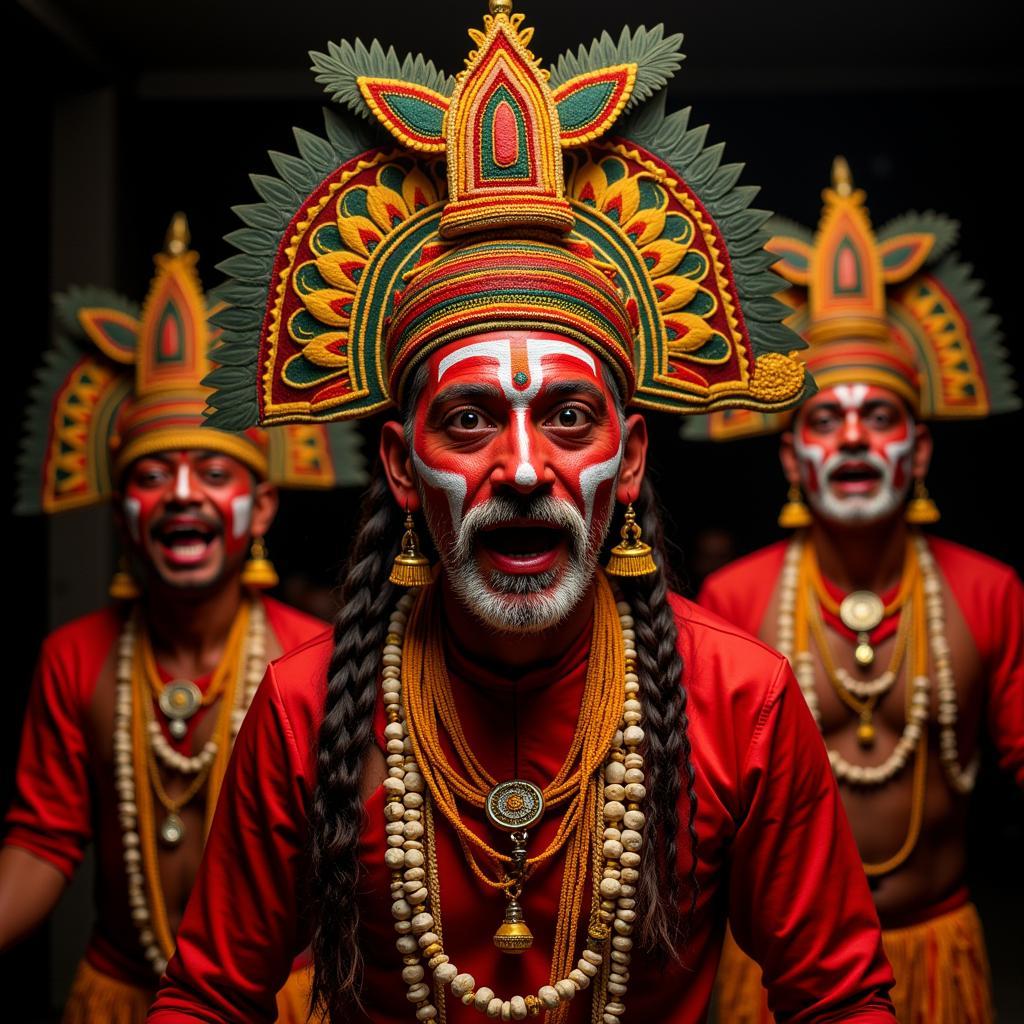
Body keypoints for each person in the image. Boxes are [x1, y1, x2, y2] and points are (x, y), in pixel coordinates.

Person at [151, 4, 897, 1021]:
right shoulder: (302, 708)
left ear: (628, 461)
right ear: (403, 468)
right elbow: (210, 998)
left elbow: (838, 1000)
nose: (519, 468)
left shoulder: (742, 699)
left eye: (568, 415)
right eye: (467, 419)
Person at [0, 215, 365, 1023]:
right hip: (120, 997)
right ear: (124, 512)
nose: (183, 495)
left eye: (212, 472)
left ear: (263, 504)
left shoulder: (314, 660)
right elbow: (41, 840)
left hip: (282, 999)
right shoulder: (76, 657)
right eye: (153, 475)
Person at [696, 160, 1022, 1024]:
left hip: (934, 949)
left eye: (877, 418)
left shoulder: (989, 591)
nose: (850, 439)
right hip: (775, 970)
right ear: (791, 457)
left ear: (917, 452)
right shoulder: (733, 598)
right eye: (821, 419)